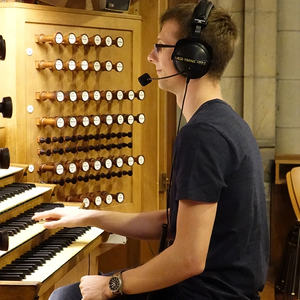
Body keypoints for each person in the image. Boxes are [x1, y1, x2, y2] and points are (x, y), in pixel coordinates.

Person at [33, 1, 269, 299]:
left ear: (190, 58)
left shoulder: (203, 135)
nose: (150, 56)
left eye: (160, 46)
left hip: (207, 293)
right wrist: (88, 216)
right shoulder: (226, 123)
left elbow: (188, 259)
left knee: (64, 297)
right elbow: (172, 220)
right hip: (223, 290)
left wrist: (111, 285)